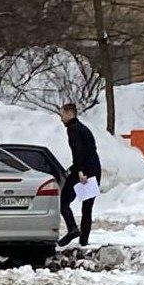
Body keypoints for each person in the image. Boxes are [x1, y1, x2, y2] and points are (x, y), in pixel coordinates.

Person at [58, 103, 102, 247]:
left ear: (70, 114)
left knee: (62, 201)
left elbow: (78, 151)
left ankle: (72, 229)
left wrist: (80, 171)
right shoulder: (83, 128)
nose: (61, 119)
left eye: (62, 115)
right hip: (94, 169)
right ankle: (84, 241)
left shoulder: (73, 129)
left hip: (83, 171)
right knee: (87, 207)